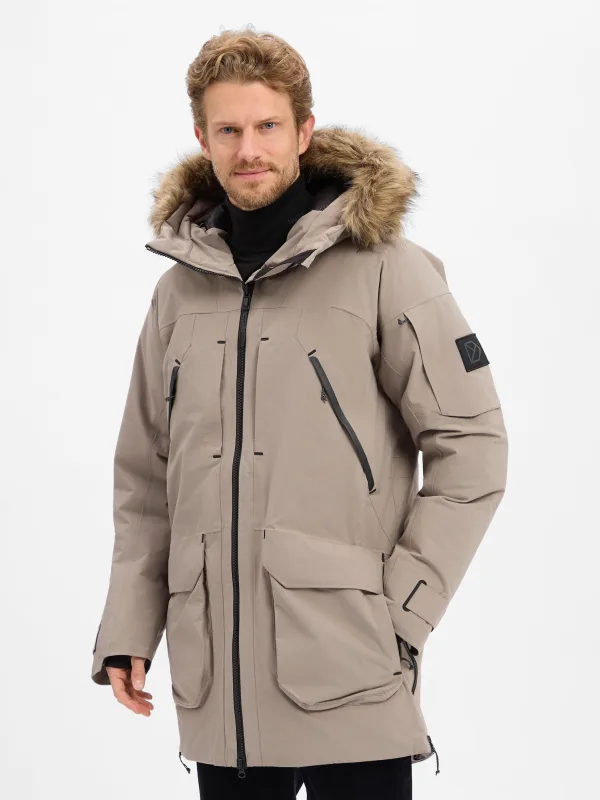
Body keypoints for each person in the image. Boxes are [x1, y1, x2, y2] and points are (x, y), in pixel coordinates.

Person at [90, 25, 509, 799]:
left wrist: (401, 611)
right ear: (202, 139)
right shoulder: (178, 293)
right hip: (219, 684)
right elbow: (146, 479)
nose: (249, 149)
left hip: (352, 668)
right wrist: (128, 629)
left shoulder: (387, 269)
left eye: (268, 126)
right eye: (229, 130)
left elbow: (473, 447)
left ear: (304, 130)